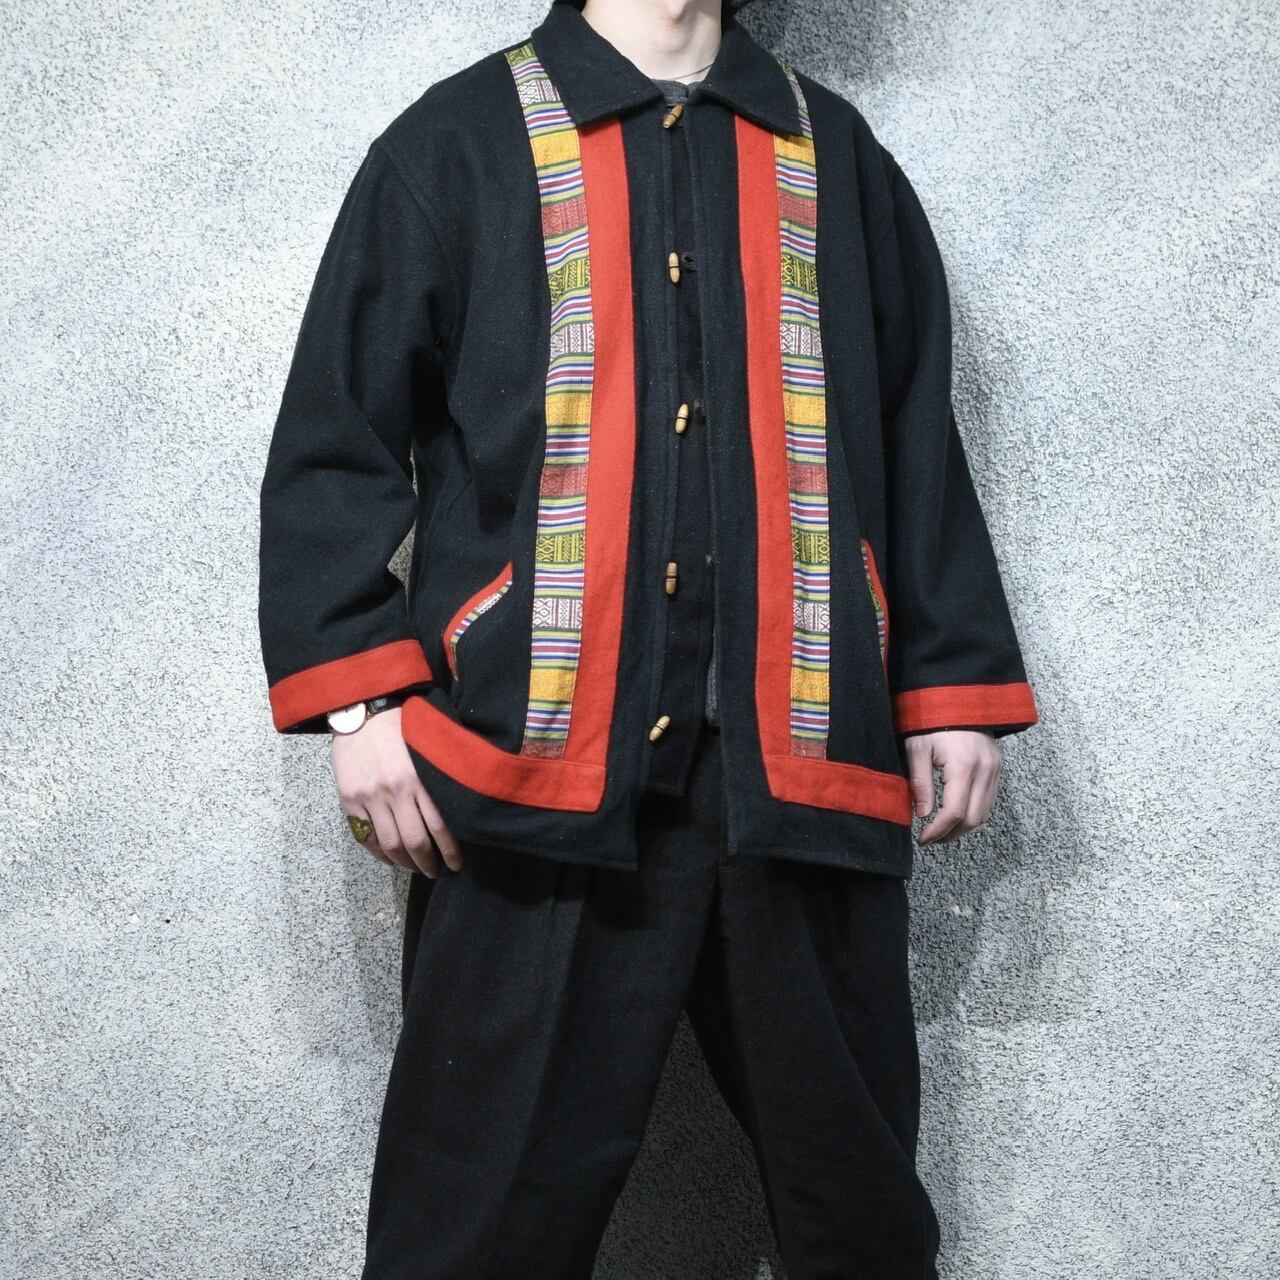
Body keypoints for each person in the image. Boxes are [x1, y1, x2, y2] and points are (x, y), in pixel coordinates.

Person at [257, 0, 1040, 1275]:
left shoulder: (834, 154)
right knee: (469, 1235)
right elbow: (332, 437)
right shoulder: (455, 142)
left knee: (863, 1229)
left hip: (800, 777)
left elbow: (912, 434)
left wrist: (947, 681)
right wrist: (359, 701)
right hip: (523, 781)